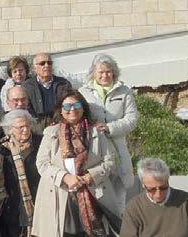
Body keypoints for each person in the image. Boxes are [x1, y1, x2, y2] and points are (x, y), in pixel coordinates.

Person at [31, 90, 119, 237]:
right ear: (60, 111)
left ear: (83, 107)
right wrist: (65, 177)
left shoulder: (96, 132)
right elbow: (42, 163)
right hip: (61, 193)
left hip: (92, 191)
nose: (72, 109)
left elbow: (110, 161)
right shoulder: (51, 132)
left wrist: (92, 175)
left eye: (76, 104)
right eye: (67, 106)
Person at [78, 53, 139, 214]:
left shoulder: (124, 91)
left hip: (118, 148)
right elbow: (79, 118)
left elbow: (132, 119)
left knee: (120, 197)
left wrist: (110, 127)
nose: (105, 75)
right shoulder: (83, 92)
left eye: (108, 71)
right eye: (101, 72)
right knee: (97, 197)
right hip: (94, 151)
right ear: (93, 73)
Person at [120, 158, 188, 237]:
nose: (158, 194)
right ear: (143, 185)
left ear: (168, 180)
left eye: (163, 188)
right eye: (151, 189)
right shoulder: (134, 208)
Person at [0, 109, 41, 236]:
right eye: (20, 127)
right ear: (10, 129)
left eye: (27, 125)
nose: (25, 129)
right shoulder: (3, 148)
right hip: (13, 205)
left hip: (38, 201)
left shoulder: (40, 143)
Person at [22, 52, 72, 129]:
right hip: (37, 127)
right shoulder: (27, 86)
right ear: (34, 68)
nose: (46, 65)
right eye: (42, 63)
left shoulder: (63, 84)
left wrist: (57, 121)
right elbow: (27, 110)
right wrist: (45, 123)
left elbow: (68, 105)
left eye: (49, 63)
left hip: (61, 124)